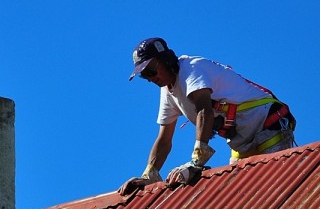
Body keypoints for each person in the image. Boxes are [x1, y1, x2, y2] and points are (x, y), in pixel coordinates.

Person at [123, 37, 296, 190]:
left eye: (150, 71)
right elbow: (164, 138)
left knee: (275, 184)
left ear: (165, 60)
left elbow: (204, 111)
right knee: (243, 192)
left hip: (267, 121)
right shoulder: (168, 90)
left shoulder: (191, 69)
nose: (150, 78)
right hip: (241, 140)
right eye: (144, 76)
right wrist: (149, 175)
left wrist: (196, 163)